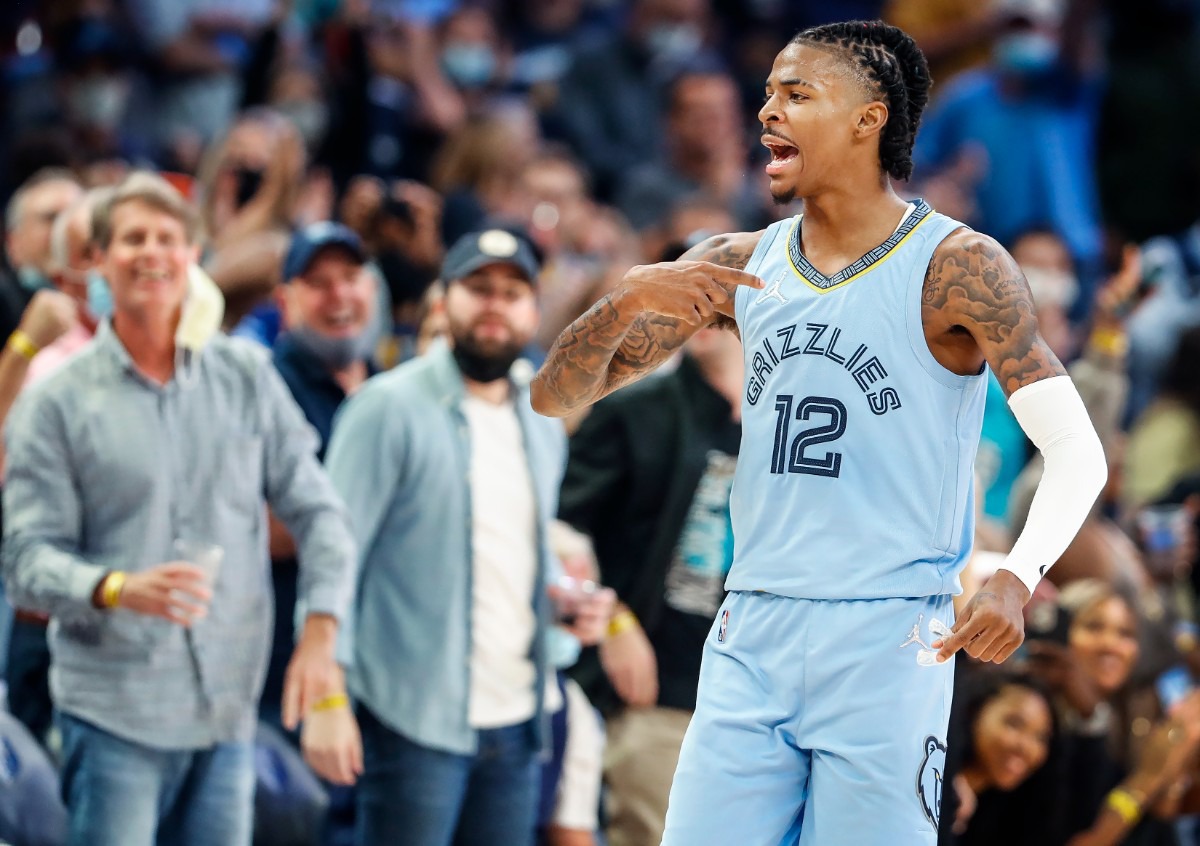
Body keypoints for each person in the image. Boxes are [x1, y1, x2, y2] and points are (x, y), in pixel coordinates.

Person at [531, 20, 1107, 845]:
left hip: (886, 636)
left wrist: (1017, 574)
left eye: (796, 94)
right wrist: (627, 297)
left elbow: (1077, 453)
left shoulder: (958, 266)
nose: (767, 111)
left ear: (868, 119)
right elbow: (555, 395)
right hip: (751, 628)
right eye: (765, 94)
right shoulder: (737, 263)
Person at [2, 172, 361, 846]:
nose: (151, 252)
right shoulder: (57, 401)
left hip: (227, 710)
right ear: (97, 261)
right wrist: (113, 588)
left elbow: (322, 515)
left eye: (168, 238)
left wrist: (321, 634)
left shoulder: (247, 378)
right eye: (132, 238)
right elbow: (23, 560)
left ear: (193, 256)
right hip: (114, 713)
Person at [324, 228, 614, 846]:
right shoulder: (386, 408)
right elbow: (334, 558)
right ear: (441, 301)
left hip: (516, 717)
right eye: (477, 289)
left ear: (534, 311)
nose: (494, 305)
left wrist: (561, 607)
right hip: (413, 714)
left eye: (512, 293)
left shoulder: (540, 422)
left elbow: (510, 559)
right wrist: (327, 695)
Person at [558, 314, 743, 846]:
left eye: (723, 300)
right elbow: (558, 529)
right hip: (649, 700)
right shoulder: (634, 411)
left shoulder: (788, 426)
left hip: (745, 704)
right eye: (694, 299)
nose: (704, 313)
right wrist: (612, 617)